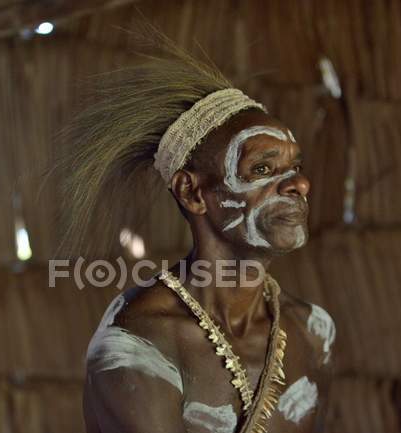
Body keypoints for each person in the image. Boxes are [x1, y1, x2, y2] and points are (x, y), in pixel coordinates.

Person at [59, 28, 335, 433]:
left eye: (295, 167)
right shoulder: (140, 346)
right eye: (262, 169)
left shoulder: (312, 331)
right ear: (192, 193)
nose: (299, 184)